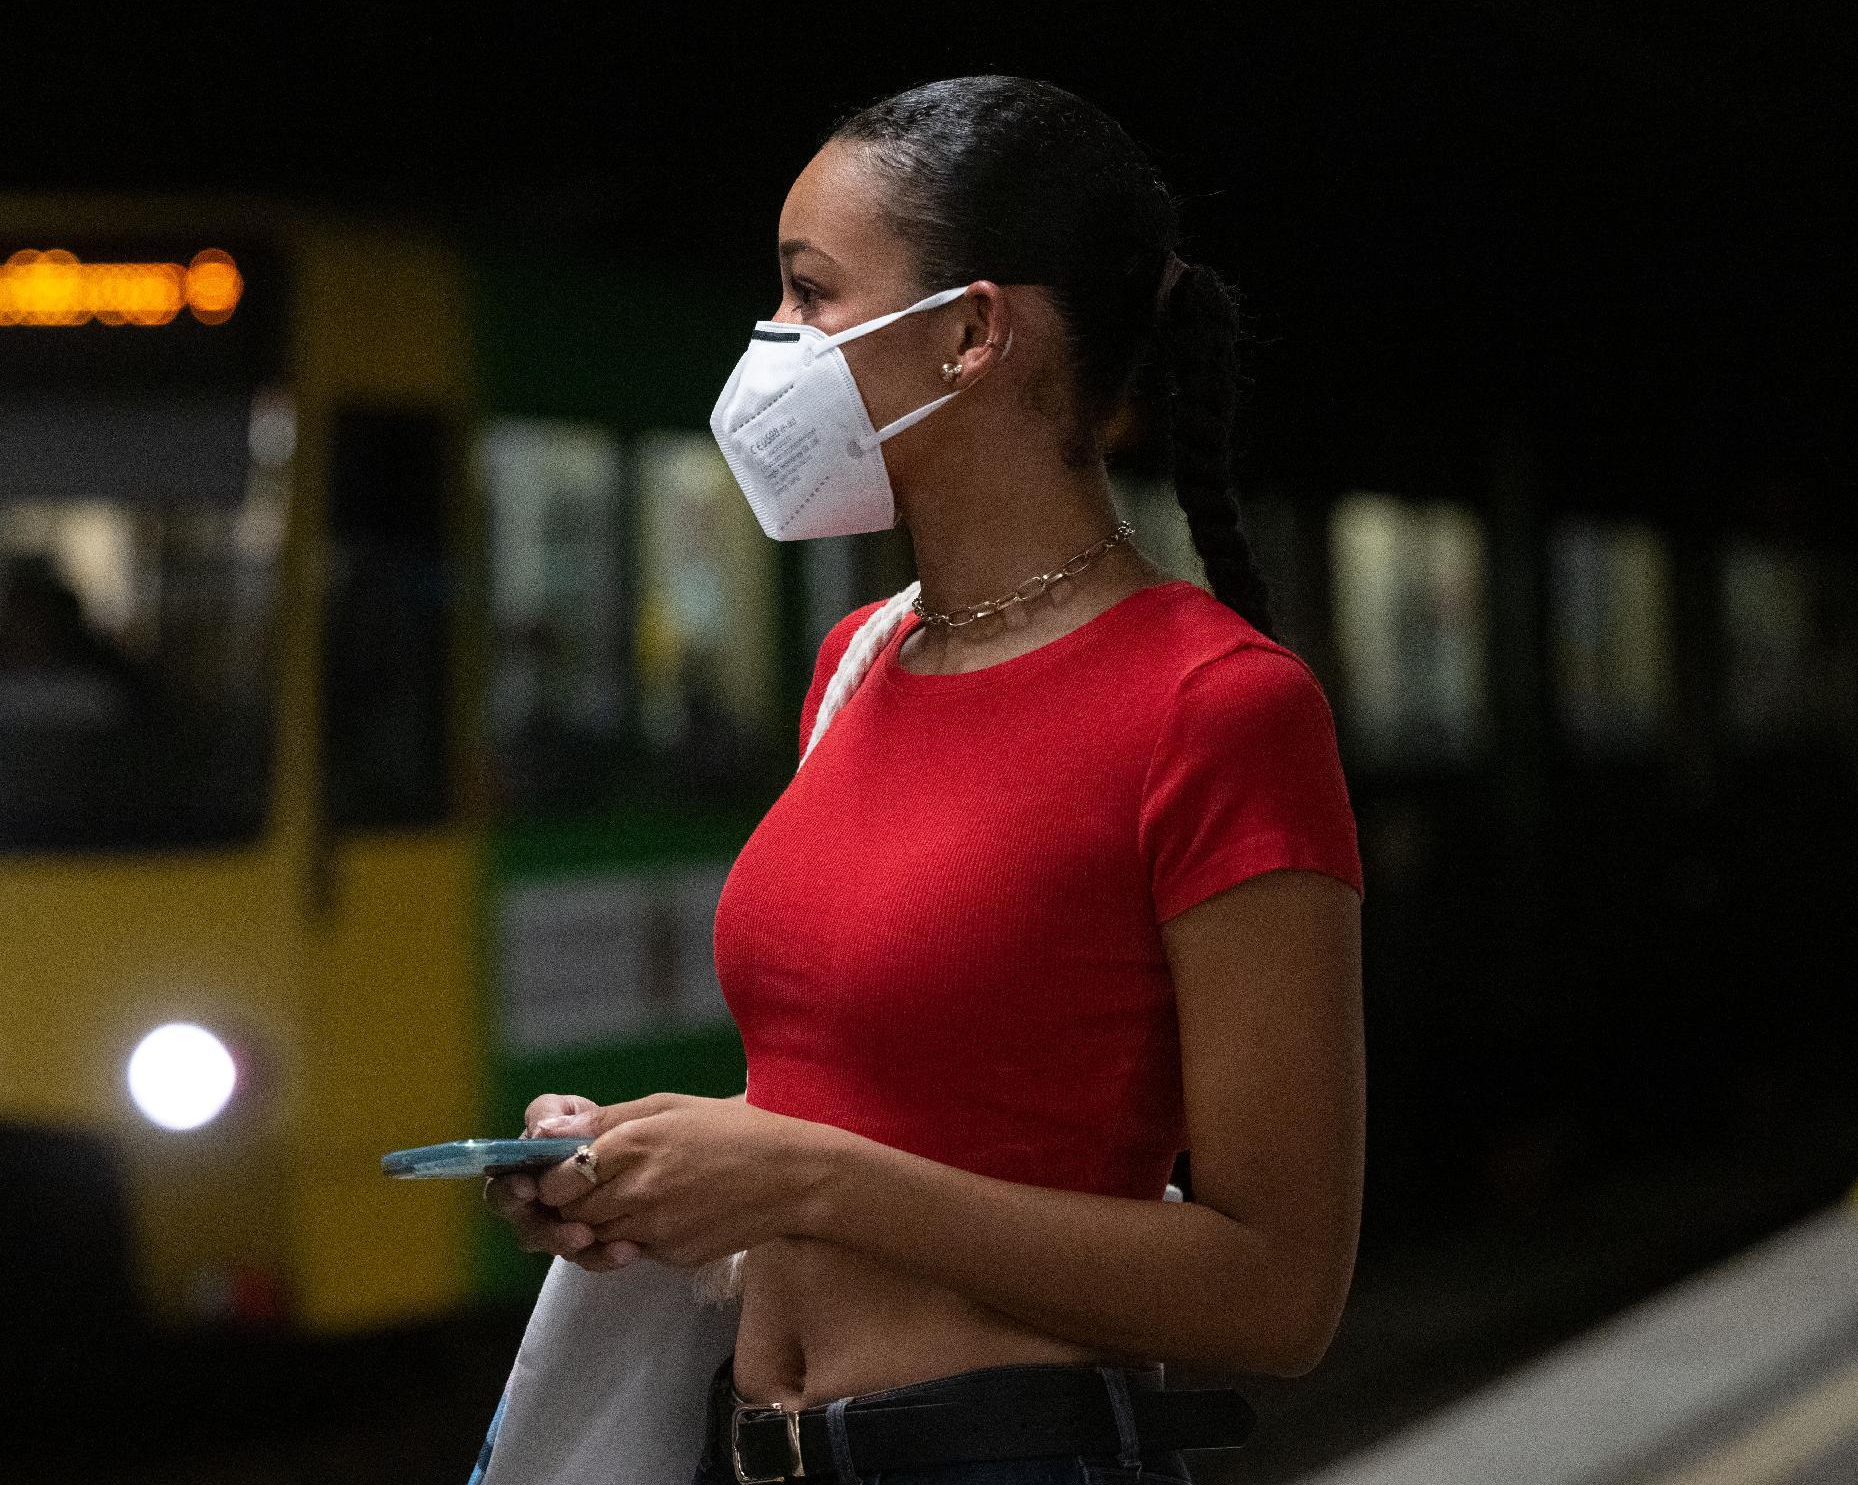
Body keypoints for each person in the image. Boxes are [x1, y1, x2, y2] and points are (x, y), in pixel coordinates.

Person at [484, 75, 1366, 1484]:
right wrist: (651, 1165)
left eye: (810, 292)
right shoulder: (856, 662)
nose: (774, 342)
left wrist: (797, 1177)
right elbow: (869, 1106)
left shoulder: (1219, 707)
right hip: (759, 1451)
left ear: (969, 334)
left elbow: (1278, 1293)